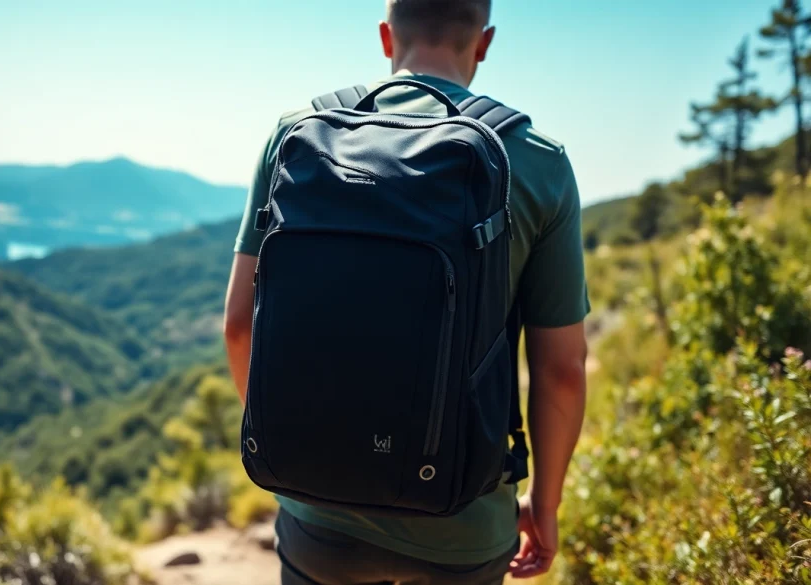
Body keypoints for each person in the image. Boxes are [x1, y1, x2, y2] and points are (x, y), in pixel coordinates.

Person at [223, 1, 589, 583]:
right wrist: (543, 505)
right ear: (485, 42)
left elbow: (241, 325)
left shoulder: (297, 136)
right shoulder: (536, 161)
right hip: (465, 521)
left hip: (319, 517)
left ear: (385, 36)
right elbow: (562, 370)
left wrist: (297, 449)